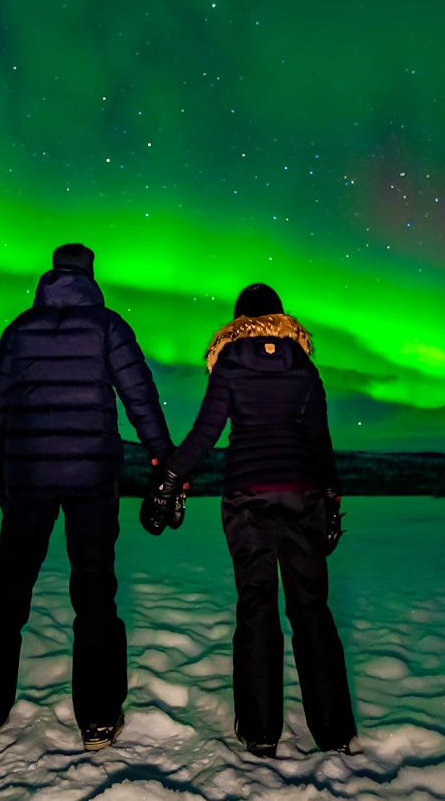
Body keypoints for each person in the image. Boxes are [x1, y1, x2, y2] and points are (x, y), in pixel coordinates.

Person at [0, 243, 172, 755]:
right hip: (91, 477)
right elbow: (139, 397)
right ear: (90, 275)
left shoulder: (21, 329)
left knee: (8, 588)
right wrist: (163, 461)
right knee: (95, 589)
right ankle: (98, 719)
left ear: (51, 274)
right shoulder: (107, 326)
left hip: (28, 475)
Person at [141, 283, 356, 758]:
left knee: (257, 604)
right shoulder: (304, 366)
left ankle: (260, 731)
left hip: (247, 494)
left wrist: (169, 479)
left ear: (238, 321)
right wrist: (330, 498)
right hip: (303, 494)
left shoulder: (230, 364)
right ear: (281, 318)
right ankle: (334, 731)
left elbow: (205, 434)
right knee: (311, 608)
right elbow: (319, 441)